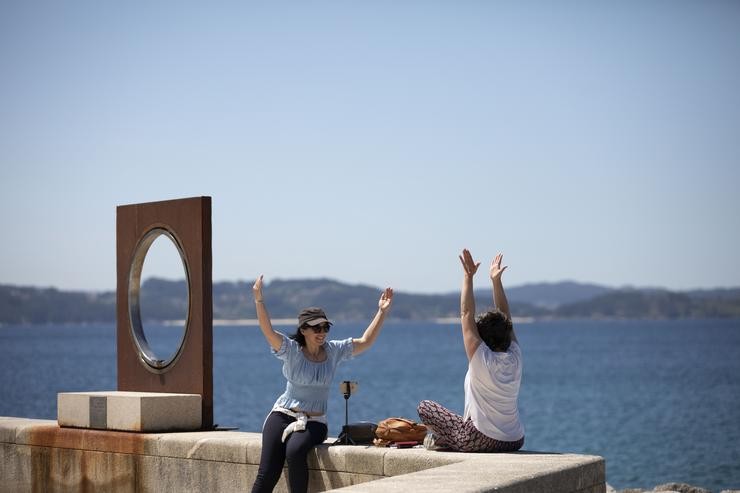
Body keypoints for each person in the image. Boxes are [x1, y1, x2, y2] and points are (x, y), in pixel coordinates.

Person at [250, 274, 394, 493]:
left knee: (295, 451)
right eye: (316, 328)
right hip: (281, 414)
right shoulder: (291, 351)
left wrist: (382, 312)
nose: (322, 333)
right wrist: (259, 300)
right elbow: (267, 330)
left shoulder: (333, 351)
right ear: (303, 330)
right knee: (267, 472)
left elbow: (365, 342)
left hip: (314, 422)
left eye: (325, 327)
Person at [417, 249, 524, 453]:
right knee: (459, 423)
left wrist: (468, 277)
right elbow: (506, 317)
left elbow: (466, 313)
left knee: (425, 407)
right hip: (515, 439)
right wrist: (496, 281)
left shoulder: (480, 357)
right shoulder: (516, 356)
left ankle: (445, 441)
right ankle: (447, 441)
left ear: (483, 338)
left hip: (480, 439)